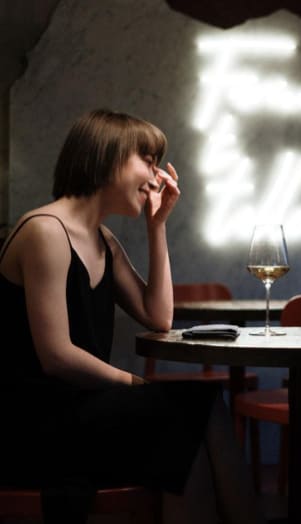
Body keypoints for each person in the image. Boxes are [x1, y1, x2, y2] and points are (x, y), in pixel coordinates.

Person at [0, 109, 264, 524]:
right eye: (149, 160)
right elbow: (56, 356)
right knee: (183, 417)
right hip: (35, 424)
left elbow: (159, 317)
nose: (157, 176)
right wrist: (134, 384)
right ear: (108, 157)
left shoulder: (103, 240)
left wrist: (157, 227)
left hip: (84, 411)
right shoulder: (45, 231)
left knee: (202, 406)